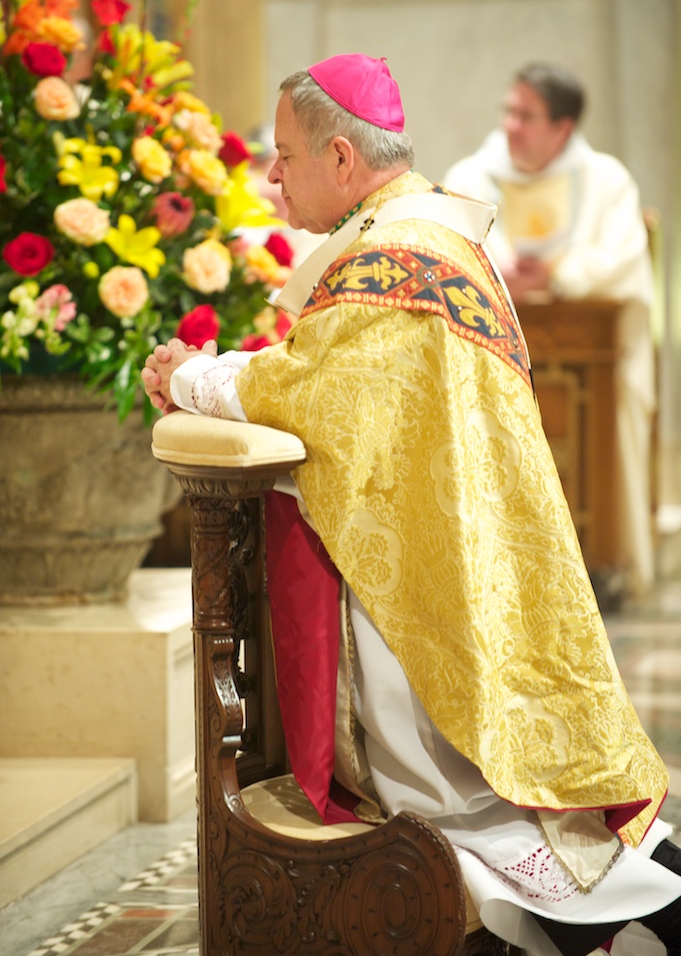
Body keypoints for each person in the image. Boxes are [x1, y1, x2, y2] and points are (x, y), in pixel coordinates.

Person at [142, 53, 681, 956]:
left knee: (464, 794)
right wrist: (223, 373)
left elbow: (318, 395)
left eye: (284, 154)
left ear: (343, 158)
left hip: (420, 590)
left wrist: (194, 373)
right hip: (458, 541)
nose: (270, 174)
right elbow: (327, 373)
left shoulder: (396, 252)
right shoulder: (426, 227)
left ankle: (613, 908)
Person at [442, 61, 656, 600]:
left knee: (617, 400)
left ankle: (606, 561)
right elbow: (445, 243)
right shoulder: (471, 176)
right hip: (493, 345)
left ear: (563, 128)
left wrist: (561, 273)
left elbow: (624, 258)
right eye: (509, 111)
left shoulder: (606, 180)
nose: (511, 125)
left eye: (527, 116)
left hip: (594, 352)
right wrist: (500, 268)